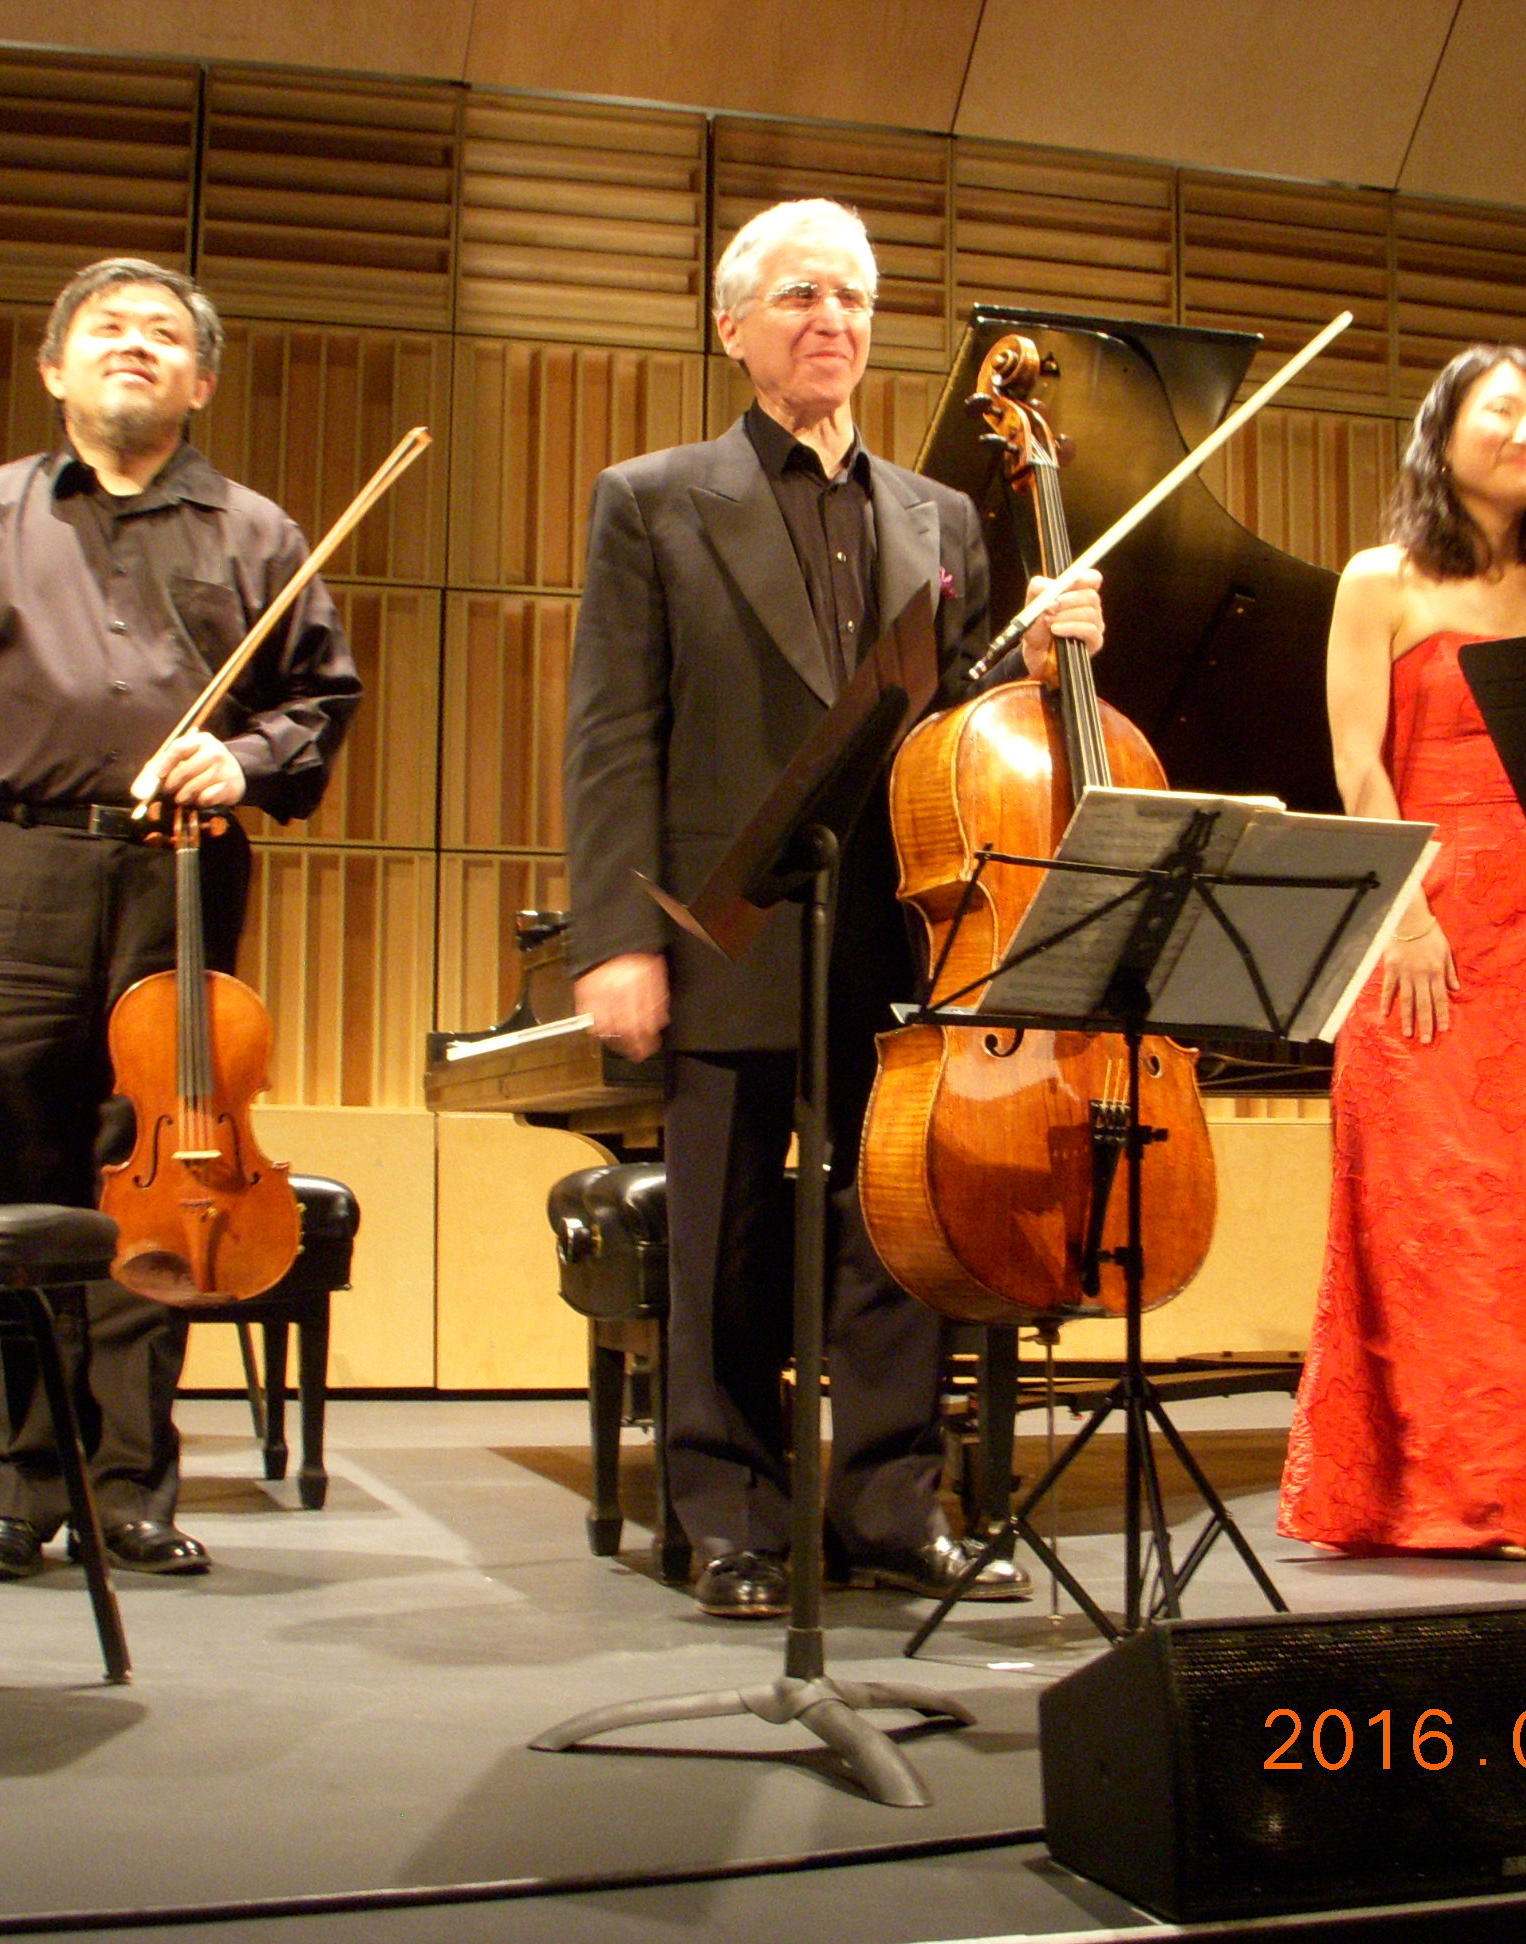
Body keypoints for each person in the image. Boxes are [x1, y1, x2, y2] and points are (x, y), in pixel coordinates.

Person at [562, 199, 1102, 1619]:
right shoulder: (652, 498)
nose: (833, 320)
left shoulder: (939, 515)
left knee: (897, 1232)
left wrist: (1035, 661)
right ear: (733, 329)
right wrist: (616, 937)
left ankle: (888, 1506)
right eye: (801, 295)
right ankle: (731, 1517)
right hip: (725, 922)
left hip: (905, 923)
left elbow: (958, 723)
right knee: (727, 1240)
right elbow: (612, 733)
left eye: (854, 298)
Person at [0, 257, 360, 1581]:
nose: (136, 345)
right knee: (4, 1184)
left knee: (165, 1179)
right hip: (5, 873)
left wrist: (243, 759)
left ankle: (131, 1487)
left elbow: (320, 699)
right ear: (54, 367)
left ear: (202, 381)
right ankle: (11, 1492)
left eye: (165, 335)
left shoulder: (258, 532)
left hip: (177, 874)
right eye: (108, 329)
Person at [1279, 344, 1526, 1557]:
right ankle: (1442, 1492)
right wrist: (1402, 915)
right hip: (1424, 918)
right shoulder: (1380, 580)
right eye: (1503, 411)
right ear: (1441, 436)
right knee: (1424, 1211)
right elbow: (1356, 763)